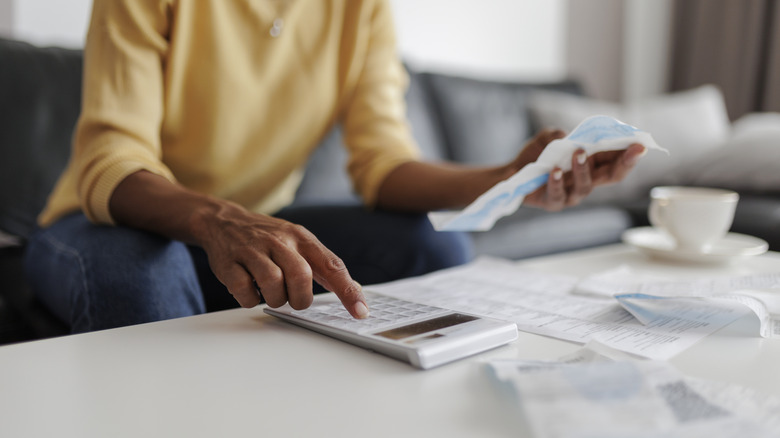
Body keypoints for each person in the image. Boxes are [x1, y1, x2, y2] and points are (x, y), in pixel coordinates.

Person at [24, 0, 646, 333]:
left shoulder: (360, 7)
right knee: (143, 278)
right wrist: (221, 221)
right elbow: (113, 160)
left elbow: (383, 165)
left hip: (249, 225)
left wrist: (509, 177)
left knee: (437, 247)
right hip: (111, 221)